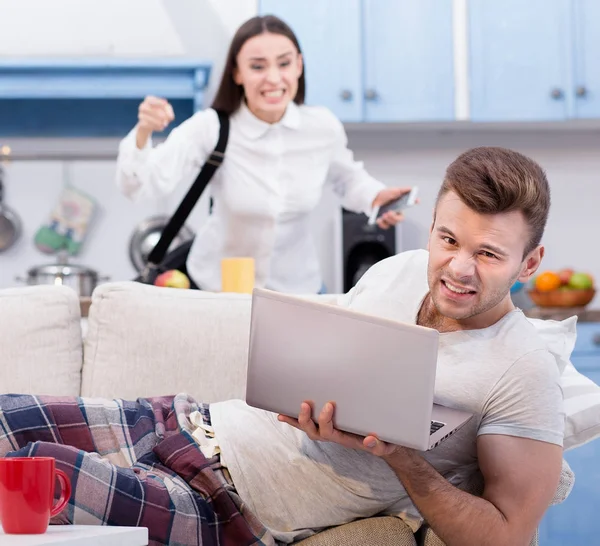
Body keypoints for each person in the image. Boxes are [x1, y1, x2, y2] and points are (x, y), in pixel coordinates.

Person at [0, 147, 563, 546]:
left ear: (529, 263)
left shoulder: (521, 371)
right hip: (190, 422)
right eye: (448, 239)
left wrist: (402, 460)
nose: (458, 268)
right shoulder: (399, 271)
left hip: (225, 506)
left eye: (488, 254)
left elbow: (507, 536)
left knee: (30, 473)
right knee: (6, 418)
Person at [115, 15, 412, 293]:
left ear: (299, 65)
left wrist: (376, 197)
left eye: (283, 64)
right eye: (257, 66)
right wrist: (144, 132)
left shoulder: (322, 127)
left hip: (298, 291)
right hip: (218, 291)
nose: (273, 78)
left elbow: (348, 180)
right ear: (237, 73)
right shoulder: (211, 128)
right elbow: (141, 185)